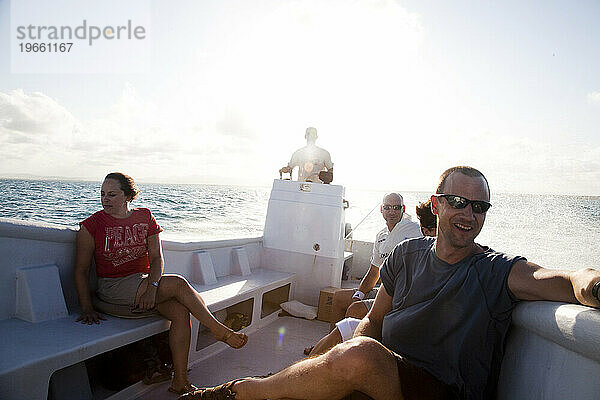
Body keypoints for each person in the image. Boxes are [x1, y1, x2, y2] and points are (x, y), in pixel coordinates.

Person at [181, 166, 600, 400]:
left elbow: (564, 280)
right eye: (457, 202)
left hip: (442, 393)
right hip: (385, 382)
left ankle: (246, 391)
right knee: (351, 351)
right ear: (436, 206)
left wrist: (591, 284)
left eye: (479, 206)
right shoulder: (406, 255)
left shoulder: (496, 269)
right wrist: (346, 357)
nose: (468, 214)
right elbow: (374, 322)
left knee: (359, 355)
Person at [74, 172, 248, 396]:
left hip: (143, 283)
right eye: (102, 194)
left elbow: (156, 258)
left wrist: (151, 287)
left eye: (112, 194)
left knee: (180, 311)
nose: (105, 199)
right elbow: (81, 270)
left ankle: (181, 381)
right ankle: (218, 330)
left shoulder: (145, 217)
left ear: (128, 196)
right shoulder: (91, 226)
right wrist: (86, 307)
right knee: (178, 284)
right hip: (113, 287)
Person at [306, 197, 436, 357]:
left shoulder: (414, 230)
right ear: (381, 209)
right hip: (386, 288)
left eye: (396, 207)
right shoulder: (381, 235)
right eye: (388, 207)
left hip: (400, 292)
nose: (392, 212)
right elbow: (374, 272)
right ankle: (329, 346)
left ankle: (341, 355)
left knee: (355, 309)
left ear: (403, 209)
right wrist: (358, 294)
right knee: (339, 298)